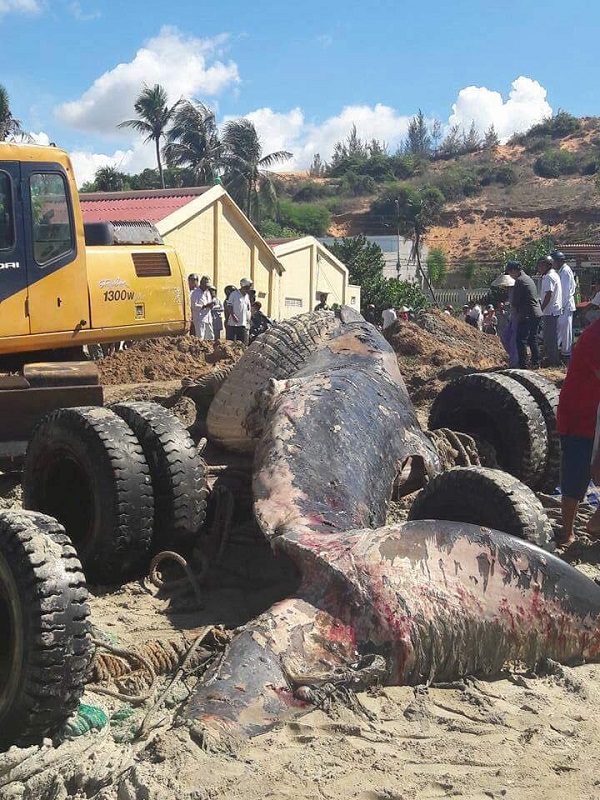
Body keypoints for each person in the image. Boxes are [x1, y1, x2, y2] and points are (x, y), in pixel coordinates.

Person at [556, 317, 600, 546]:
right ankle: (567, 532)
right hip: (579, 414)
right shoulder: (595, 336)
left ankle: (596, 522)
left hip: (596, 412)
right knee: (577, 472)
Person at [506, 260, 542, 369]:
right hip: (536, 313)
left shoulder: (520, 281)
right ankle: (536, 362)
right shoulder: (528, 278)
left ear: (513, 271)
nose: (510, 276)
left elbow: (515, 301)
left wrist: (515, 315)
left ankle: (523, 365)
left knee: (521, 340)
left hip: (527, 314)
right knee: (532, 339)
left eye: (510, 273)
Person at [537, 254, 562, 367]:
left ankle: (554, 362)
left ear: (548, 265)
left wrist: (540, 309)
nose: (539, 268)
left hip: (550, 311)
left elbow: (548, 294)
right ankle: (548, 359)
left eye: (542, 265)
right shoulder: (554, 275)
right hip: (553, 310)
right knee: (549, 337)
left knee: (550, 338)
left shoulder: (548, 277)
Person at [551, 250, 576, 360]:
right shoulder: (562, 271)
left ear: (559, 261)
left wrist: (560, 307)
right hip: (563, 305)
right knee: (562, 329)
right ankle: (560, 351)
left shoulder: (565, 272)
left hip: (565, 305)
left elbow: (565, 292)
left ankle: (566, 353)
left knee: (565, 330)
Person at [226, 277, 253, 344]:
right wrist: (233, 315)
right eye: (248, 287)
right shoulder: (234, 294)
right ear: (244, 286)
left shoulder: (247, 296)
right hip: (233, 324)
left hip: (242, 324)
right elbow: (229, 306)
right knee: (231, 343)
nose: (249, 289)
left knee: (241, 344)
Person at [190, 275, 215, 340]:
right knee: (200, 337)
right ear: (201, 284)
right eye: (205, 286)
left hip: (208, 318)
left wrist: (211, 305)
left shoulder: (207, 292)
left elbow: (209, 303)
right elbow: (194, 306)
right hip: (200, 319)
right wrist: (205, 306)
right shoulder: (195, 293)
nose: (206, 287)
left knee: (210, 337)